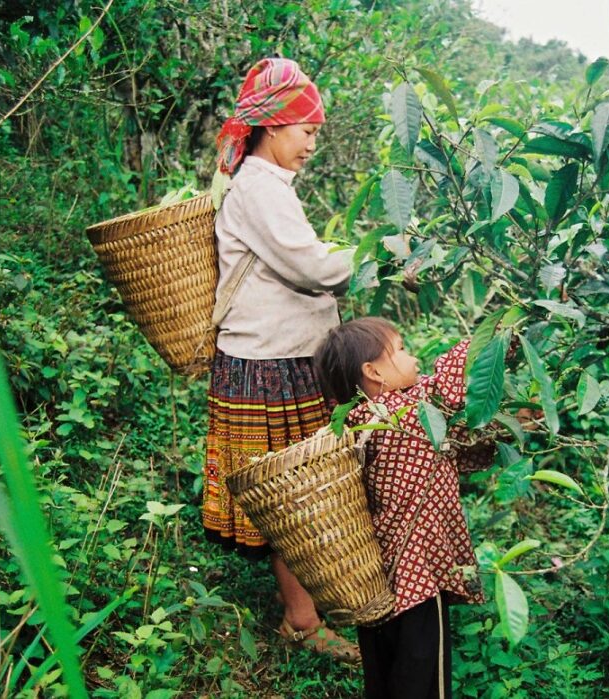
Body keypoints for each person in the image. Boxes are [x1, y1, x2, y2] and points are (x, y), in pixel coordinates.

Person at [201, 57, 359, 663]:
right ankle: (300, 619)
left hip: (282, 359)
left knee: (298, 489)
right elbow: (312, 266)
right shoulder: (260, 188)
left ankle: (311, 604)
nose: (311, 145)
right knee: (288, 495)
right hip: (269, 366)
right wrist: (374, 254)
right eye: (307, 132)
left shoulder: (265, 183)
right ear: (272, 128)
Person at [314, 317, 498, 699]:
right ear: (373, 372)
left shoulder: (357, 421)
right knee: (425, 681)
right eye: (400, 349)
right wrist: (497, 336)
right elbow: (457, 380)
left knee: (384, 679)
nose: (413, 357)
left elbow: (456, 447)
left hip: (380, 578)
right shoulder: (406, 411)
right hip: (420, 576)